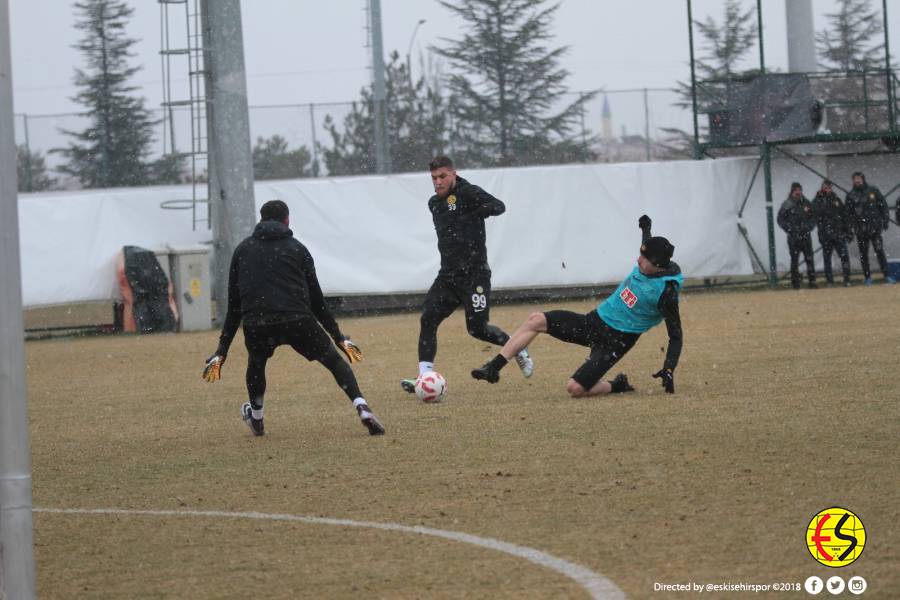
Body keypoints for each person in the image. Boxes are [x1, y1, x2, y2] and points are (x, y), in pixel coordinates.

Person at [202, 200, 385, 437]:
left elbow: (234, 306)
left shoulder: (242, 250)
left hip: (257, 323)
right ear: (287, 220)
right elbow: (317, 301)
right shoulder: (297, 248)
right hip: (297, 320)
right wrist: (338, 337)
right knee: (335, 362)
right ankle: (361, 406)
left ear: (261, 219)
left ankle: (256, 418)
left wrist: (221, 350)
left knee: (256, 364)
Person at [471, 215, 683, 397]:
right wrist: (646, 228)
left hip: (616, 342)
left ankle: (616, 385)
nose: (638, 260)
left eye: (644, 258)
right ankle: (494, 367)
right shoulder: (651, 261)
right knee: (536, 320)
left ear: (657, 265)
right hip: (594, 322)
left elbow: (676, 335)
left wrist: (669, 368)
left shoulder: (666, 293)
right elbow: (648, 244)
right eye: (640, 253)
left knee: (575, 389)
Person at [400, 155, 533, 393]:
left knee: (477, 330)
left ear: (453, 174)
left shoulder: (468, 192)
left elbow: (499, 206)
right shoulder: (434, 203)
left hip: (475, 276)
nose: (438, 182)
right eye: (434, 178)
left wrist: (474, 213)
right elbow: (450, 215)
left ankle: (517, 347)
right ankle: (424, 376)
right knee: (428, 318)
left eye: (442, 176)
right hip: (448, 277)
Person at [845, 172, 894, 284]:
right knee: (863, 254)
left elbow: (883, 205)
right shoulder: (851, 195)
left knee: (880, 251)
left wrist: (885, 219)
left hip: (874, 228)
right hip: (860, 230)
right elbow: (847, 214)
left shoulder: (873, 190)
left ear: (863, 179)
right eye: (855, 179)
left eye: (859, 178)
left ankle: (886, 275)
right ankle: (867, 277)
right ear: (852, 181)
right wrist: (849, 230)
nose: (857, 181)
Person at [811, 179, 852, 286]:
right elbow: (814, 212)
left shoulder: (837, 200)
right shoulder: (818, 200)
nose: (827, 189)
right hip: (825, 234)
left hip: (838, 233)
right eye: (825, 187)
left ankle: (847, 279)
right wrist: (819, 197)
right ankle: (830, 281)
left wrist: (848, 231)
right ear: (822, 188)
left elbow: (844, 216)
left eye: (829, 187)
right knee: (827, 258)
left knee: (844, 257)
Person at [777, 182, 817, 289]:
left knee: (809, 259)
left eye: (799, 190)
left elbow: (813, 217)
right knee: (794, 260)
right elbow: (780, 219)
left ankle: (812, 282)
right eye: (796, 190)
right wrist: (789, 229)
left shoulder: (806, 203)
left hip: (805, 236)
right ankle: (795, 283)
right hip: (793, 237)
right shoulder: (787, 204)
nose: (798, 192)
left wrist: (809, 227)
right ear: (792, 191)